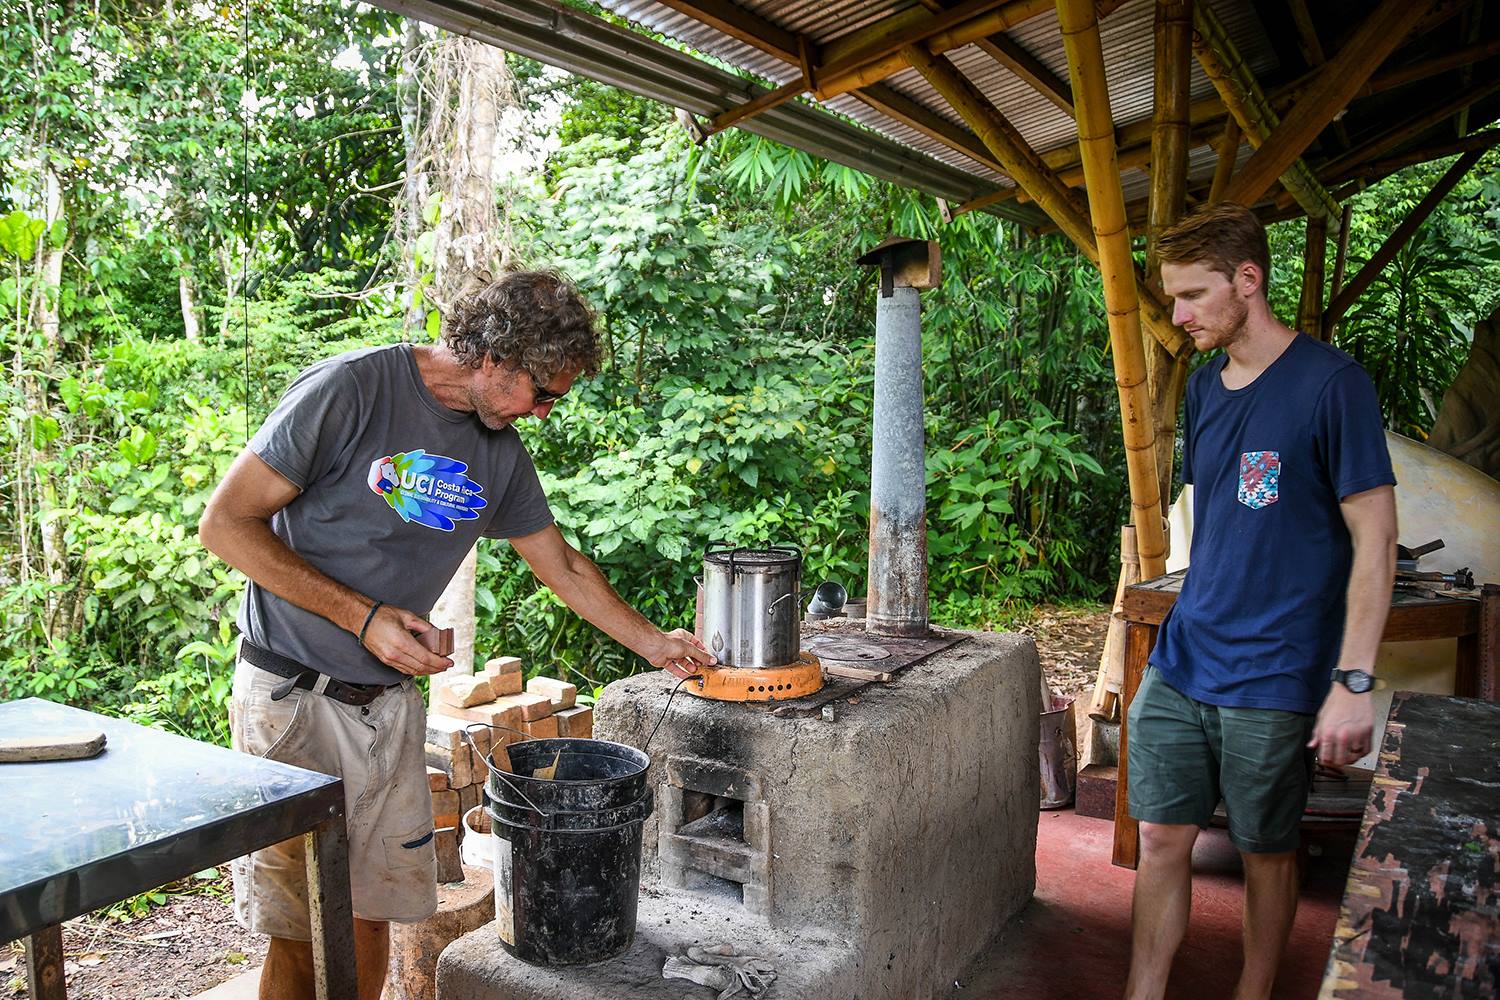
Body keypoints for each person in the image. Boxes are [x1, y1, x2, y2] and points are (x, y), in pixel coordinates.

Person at [198, 269, 715, 1000]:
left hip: (385, 708)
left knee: (373, 915)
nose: (541, 412)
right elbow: (224, 524)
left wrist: (657, 645)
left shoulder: (498, 449)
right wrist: (364, 618)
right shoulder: (352, 390)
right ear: (497, 357)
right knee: (303, 928)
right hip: (294, 697)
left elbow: (561, 564)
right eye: (543, 393)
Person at [1125, 203, 1397, 1000]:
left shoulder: (1332, 385)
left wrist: (1352, 683)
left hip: (1277, 669)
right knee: (1162, 837)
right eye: (1172, 298)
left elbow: (1375, 540)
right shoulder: (1208, 388)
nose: (1177, 317)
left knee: (1266, 849)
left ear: (1249, 280)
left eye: (1193, 296)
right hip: (1187, 653)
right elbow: (1228, 520)